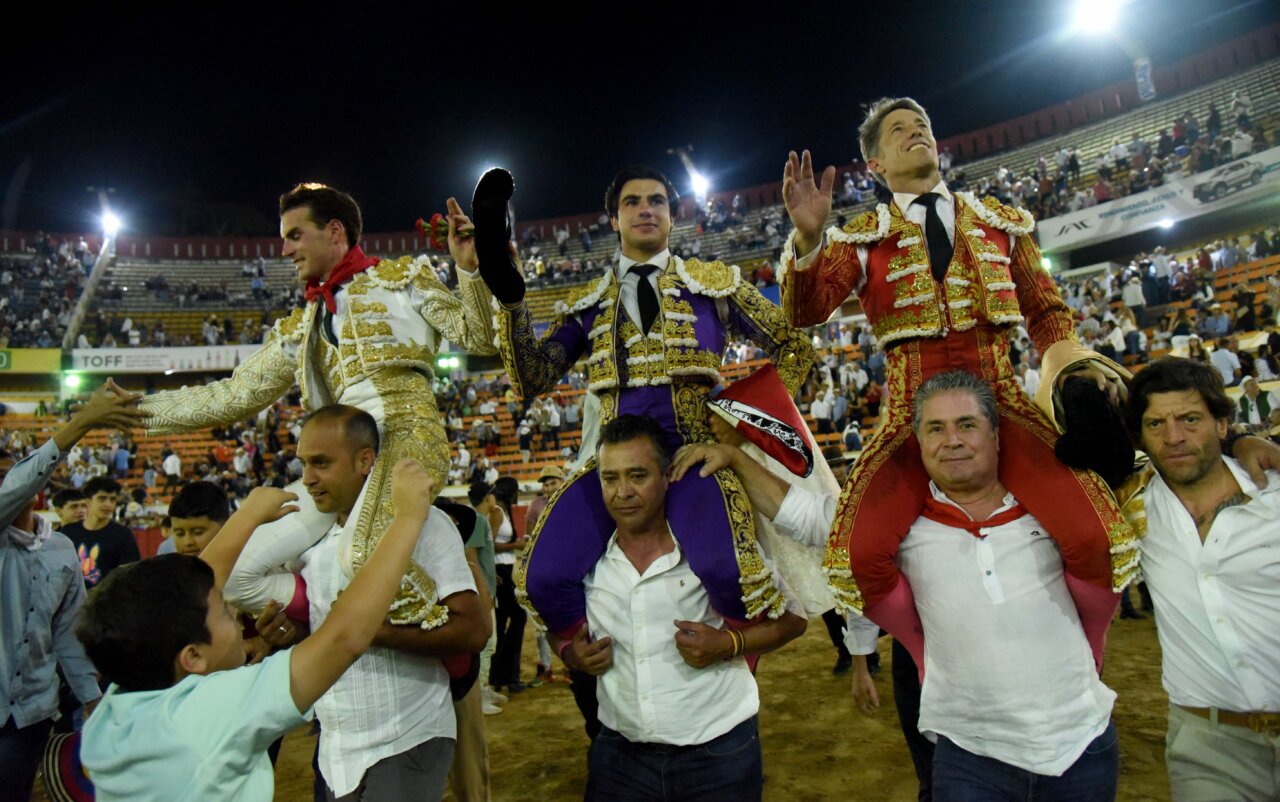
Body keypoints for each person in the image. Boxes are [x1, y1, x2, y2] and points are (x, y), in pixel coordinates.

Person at [779, 98, 1135, 657]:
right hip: (909, 421)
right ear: (875, 165)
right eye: (898, 130)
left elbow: (1046, 314)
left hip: (1003, 407)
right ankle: (927, 660)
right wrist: (808, 241)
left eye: (921, 124)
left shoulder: (1001, 221)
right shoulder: (859, 238)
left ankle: (1088, 652)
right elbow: (807, 311)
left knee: (1098, 536)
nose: (915, 131)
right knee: (857, 554)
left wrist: (1073, 368)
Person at [138, 184, 497, 631]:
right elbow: (234, 395)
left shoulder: (403, 280)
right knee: (234, 575)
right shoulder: (301, 324)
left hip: (406, 439)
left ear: (333, 231)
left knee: (361, 555)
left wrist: (473, 270)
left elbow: (481, 337)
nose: (285, 249)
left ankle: (443, 646)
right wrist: (134, 411)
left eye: (294, 235)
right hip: (337, 460)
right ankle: (325, 626)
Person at [479, 164, 815, 640]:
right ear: (613, 220)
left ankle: (737, 660)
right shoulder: (589, 302)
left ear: (671, 217)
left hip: (692, 455)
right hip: (612, 464)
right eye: (632, 202)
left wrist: (742, 425)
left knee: (730, 571)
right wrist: (512, 302)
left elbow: (795, 346)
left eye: (656, 201)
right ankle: (590, 662)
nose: (645, 210)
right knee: (542, 577)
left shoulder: (713, 284)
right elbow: (531, 377)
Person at [76, 459, 443, 802]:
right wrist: (408, 517)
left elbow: (185, 596)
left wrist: (248, 516)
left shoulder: (114, 709)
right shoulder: (214, 711)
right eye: (223, 613)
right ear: (193, 657)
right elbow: (344, 636)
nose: (235, 619)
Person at [555, 414, 807, 802]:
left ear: (666, 475)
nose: (622, 492)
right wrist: (572, 655)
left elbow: (794, 619)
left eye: (637, 476)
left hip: (718, 753)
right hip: (619, 753)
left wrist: (729, 644)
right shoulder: (582, 558)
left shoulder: (715, 547)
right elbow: (559, 631)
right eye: (610, 478)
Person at [894, 370, 1119, 798]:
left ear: (996, 437)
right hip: (971, 755)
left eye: (967, 425)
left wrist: (1238, 440)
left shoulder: (1057, 511)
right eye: (935, 429)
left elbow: (1176, 469)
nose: (952, 440)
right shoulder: (904, 531)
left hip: (1080, 742)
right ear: (919, 443)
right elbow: (811, 519)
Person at [294, 405, 487, 800]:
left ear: (366, 460)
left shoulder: (425, 522)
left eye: (321, 463)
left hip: (408, 733)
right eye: (304, 464)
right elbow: (321, 630)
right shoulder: (310, 541)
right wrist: (285, 632)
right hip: (334, 746)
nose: (307, 479)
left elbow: (474, 628)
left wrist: (375, 632)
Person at [1120, 358, 1280, 801]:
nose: (1174, 437)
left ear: (1223, 424)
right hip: (1208, 748)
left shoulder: (1276, 492)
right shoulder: (1130, 508)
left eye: (1190, 419)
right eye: (1156, 423)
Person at [0, 383, 143, 802]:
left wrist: (90, 697)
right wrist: (81, 422)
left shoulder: (61, 548)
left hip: (33, 712)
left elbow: (66, 632)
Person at [60, 476, 140, 589]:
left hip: (107, 603)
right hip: (74, 603)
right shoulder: (68, 533)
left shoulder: (123, 535)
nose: (108, 504)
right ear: (88, 501)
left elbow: (129, 576)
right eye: (102, 499)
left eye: (112, 499)